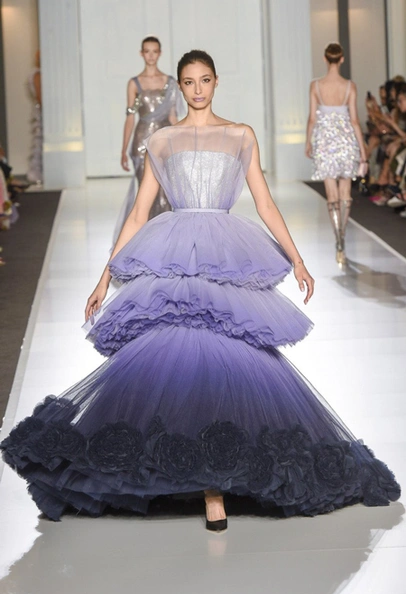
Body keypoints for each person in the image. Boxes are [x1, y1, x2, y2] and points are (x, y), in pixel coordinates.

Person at [1, 50, 400, 532]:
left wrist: (296, 259)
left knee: (223, 357)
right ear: (180, 86)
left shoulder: (240, 135)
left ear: (215, 82)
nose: (196, 89)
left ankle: (215, 484)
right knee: (179, 359)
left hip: (224, 252)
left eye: (204, 80)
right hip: (174, 252)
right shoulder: (162, 140)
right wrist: (104, 278)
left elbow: (264, 202)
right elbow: (138, 213)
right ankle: (198, 478)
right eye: (188, 82)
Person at [113, 36, 183, 244]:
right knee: (147, 193)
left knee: (166, 192)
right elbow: (130, 118)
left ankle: (166, 239)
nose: (151, 55)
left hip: (165, 142)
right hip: (141, 142)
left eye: (154, 51)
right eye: (147, 51)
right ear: (141, 53)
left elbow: (173, 117)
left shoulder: (170, 82)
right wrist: (124, 149)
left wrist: (182, 145)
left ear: (159, 53)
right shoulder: (134, 83)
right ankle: (150, 241)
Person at [305, 43, 367, 266]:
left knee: (332, 195)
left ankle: (337, 240)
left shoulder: (316, 86)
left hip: (324, 142)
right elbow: (355, 121)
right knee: (345, 194)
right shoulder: (350, 86)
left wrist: (308, 141)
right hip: (346, 141)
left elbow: (313, 118)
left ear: (325, 59)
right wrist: (363, 152)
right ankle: (343, 235)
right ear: (341, 59)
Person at [27, 51, 42, 185]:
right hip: (40, 111)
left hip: (39, 109)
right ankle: (36, 172)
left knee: (40, 140)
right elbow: (40, 96)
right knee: (39, 140)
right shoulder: (37, 74)